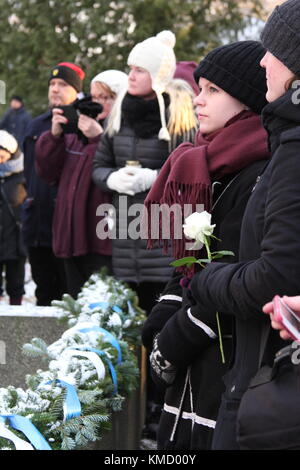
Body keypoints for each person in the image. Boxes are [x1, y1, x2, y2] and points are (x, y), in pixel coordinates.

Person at [144, 0, 300, 450]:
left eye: (212, 90)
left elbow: (260, 267)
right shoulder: (201, 162)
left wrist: (175, 337)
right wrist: (165, 310)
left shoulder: (265, 163)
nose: (198, 99)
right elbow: (188, 261)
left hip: (231, 358)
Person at [92, 30, 198, 438]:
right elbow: (98, 166)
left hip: (162, 230)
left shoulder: (177, 110)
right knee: (134, 323)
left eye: (138, 68)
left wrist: (158, 177)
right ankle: (138, 406)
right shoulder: (119, 113)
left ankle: (159, 409)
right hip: (123, 228)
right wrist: (115, 177)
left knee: (161, 321)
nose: (130, 74)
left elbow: (190, 162)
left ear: (156, 73)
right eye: (130, 67)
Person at [35, 70, 128, 298]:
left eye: (106, 97)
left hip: (102, 239)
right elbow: (47, 173)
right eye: (95, 97)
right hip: (71, 237)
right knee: (76, 304)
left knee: (104, 307)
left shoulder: (124, 132)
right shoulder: (78, 129)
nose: (98, 103)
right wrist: (55, 136)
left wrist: (99, 138)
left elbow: (121, 176)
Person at [22, 62, 84, 305]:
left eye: (63, 85)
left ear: (76, 91)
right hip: (38, 224)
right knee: (44, 294)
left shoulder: (83, 124)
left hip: (69, 226)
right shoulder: (36, 125)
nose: (55, 89)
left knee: (71, 296)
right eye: (52, 84)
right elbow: (30, 174)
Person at [0, 130, 27, 305]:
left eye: (2, 157)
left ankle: (16, 313)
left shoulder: (23, 175)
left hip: (15, 237)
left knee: (16, 280)